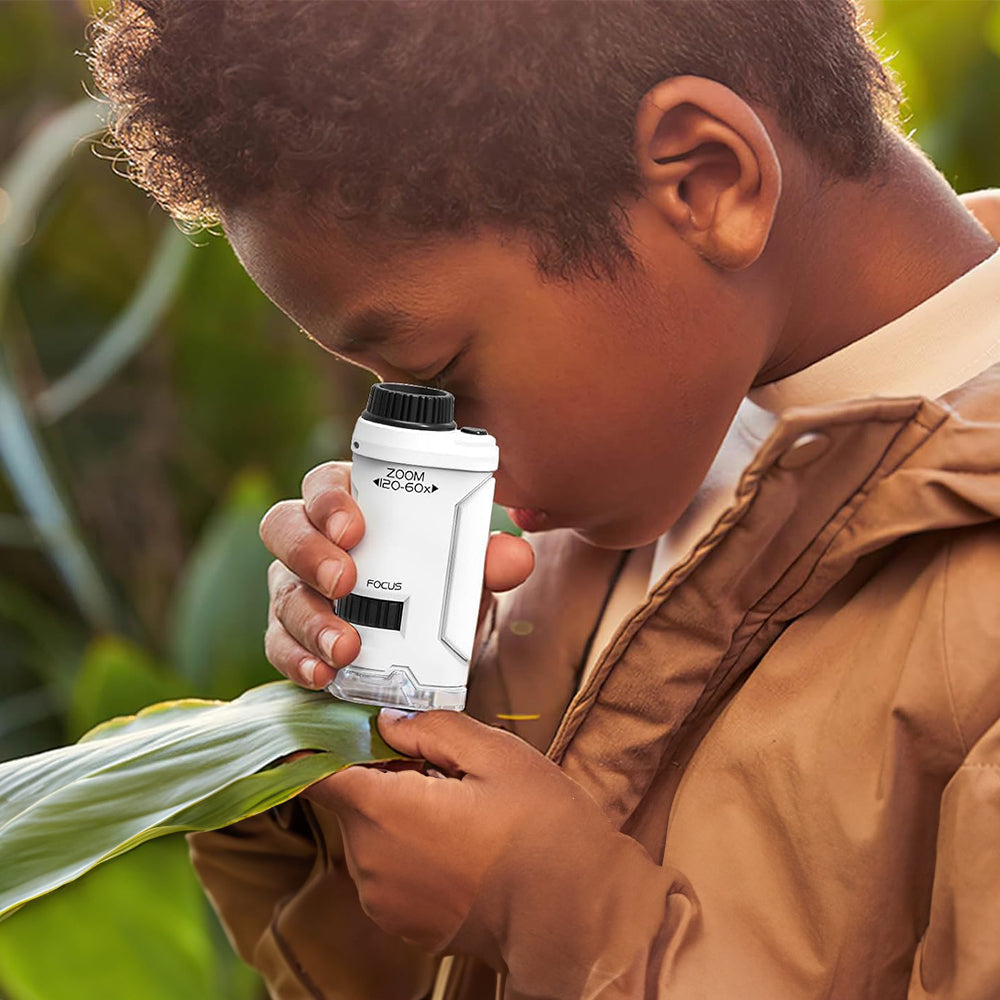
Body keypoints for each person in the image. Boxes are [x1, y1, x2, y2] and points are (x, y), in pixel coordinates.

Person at [90, 2, 1000, 998]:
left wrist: (567, 928)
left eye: (439, 374)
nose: (439, 453)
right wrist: (366, 743)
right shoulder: (640, 470)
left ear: (706, 179)